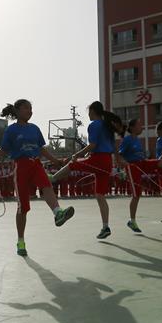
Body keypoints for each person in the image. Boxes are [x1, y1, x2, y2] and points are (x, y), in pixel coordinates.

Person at [0, 99, 75, 256]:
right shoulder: (11, 130)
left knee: (46, 185)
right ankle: (21, 241)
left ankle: (58, 213)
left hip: (36, 164)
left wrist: (55, 161)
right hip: (21, 166)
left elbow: (41, 149)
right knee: (23, 208)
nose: (30, 111)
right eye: (26, 108)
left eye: (31, 109)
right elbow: (3, 149)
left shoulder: (35, 129)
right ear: (17, 111)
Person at [50, 101, 123, 239]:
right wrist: (118, 159)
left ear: (93, 111)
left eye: (89, 112)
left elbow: (93, 145)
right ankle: (105, 227)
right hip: (107, 162)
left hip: (98, 159)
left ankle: (52, 178)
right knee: (100, 195)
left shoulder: (94, 125)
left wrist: (77, 154)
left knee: (73, 164)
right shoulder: (107, 126)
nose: (88, 114)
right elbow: (113, 147)